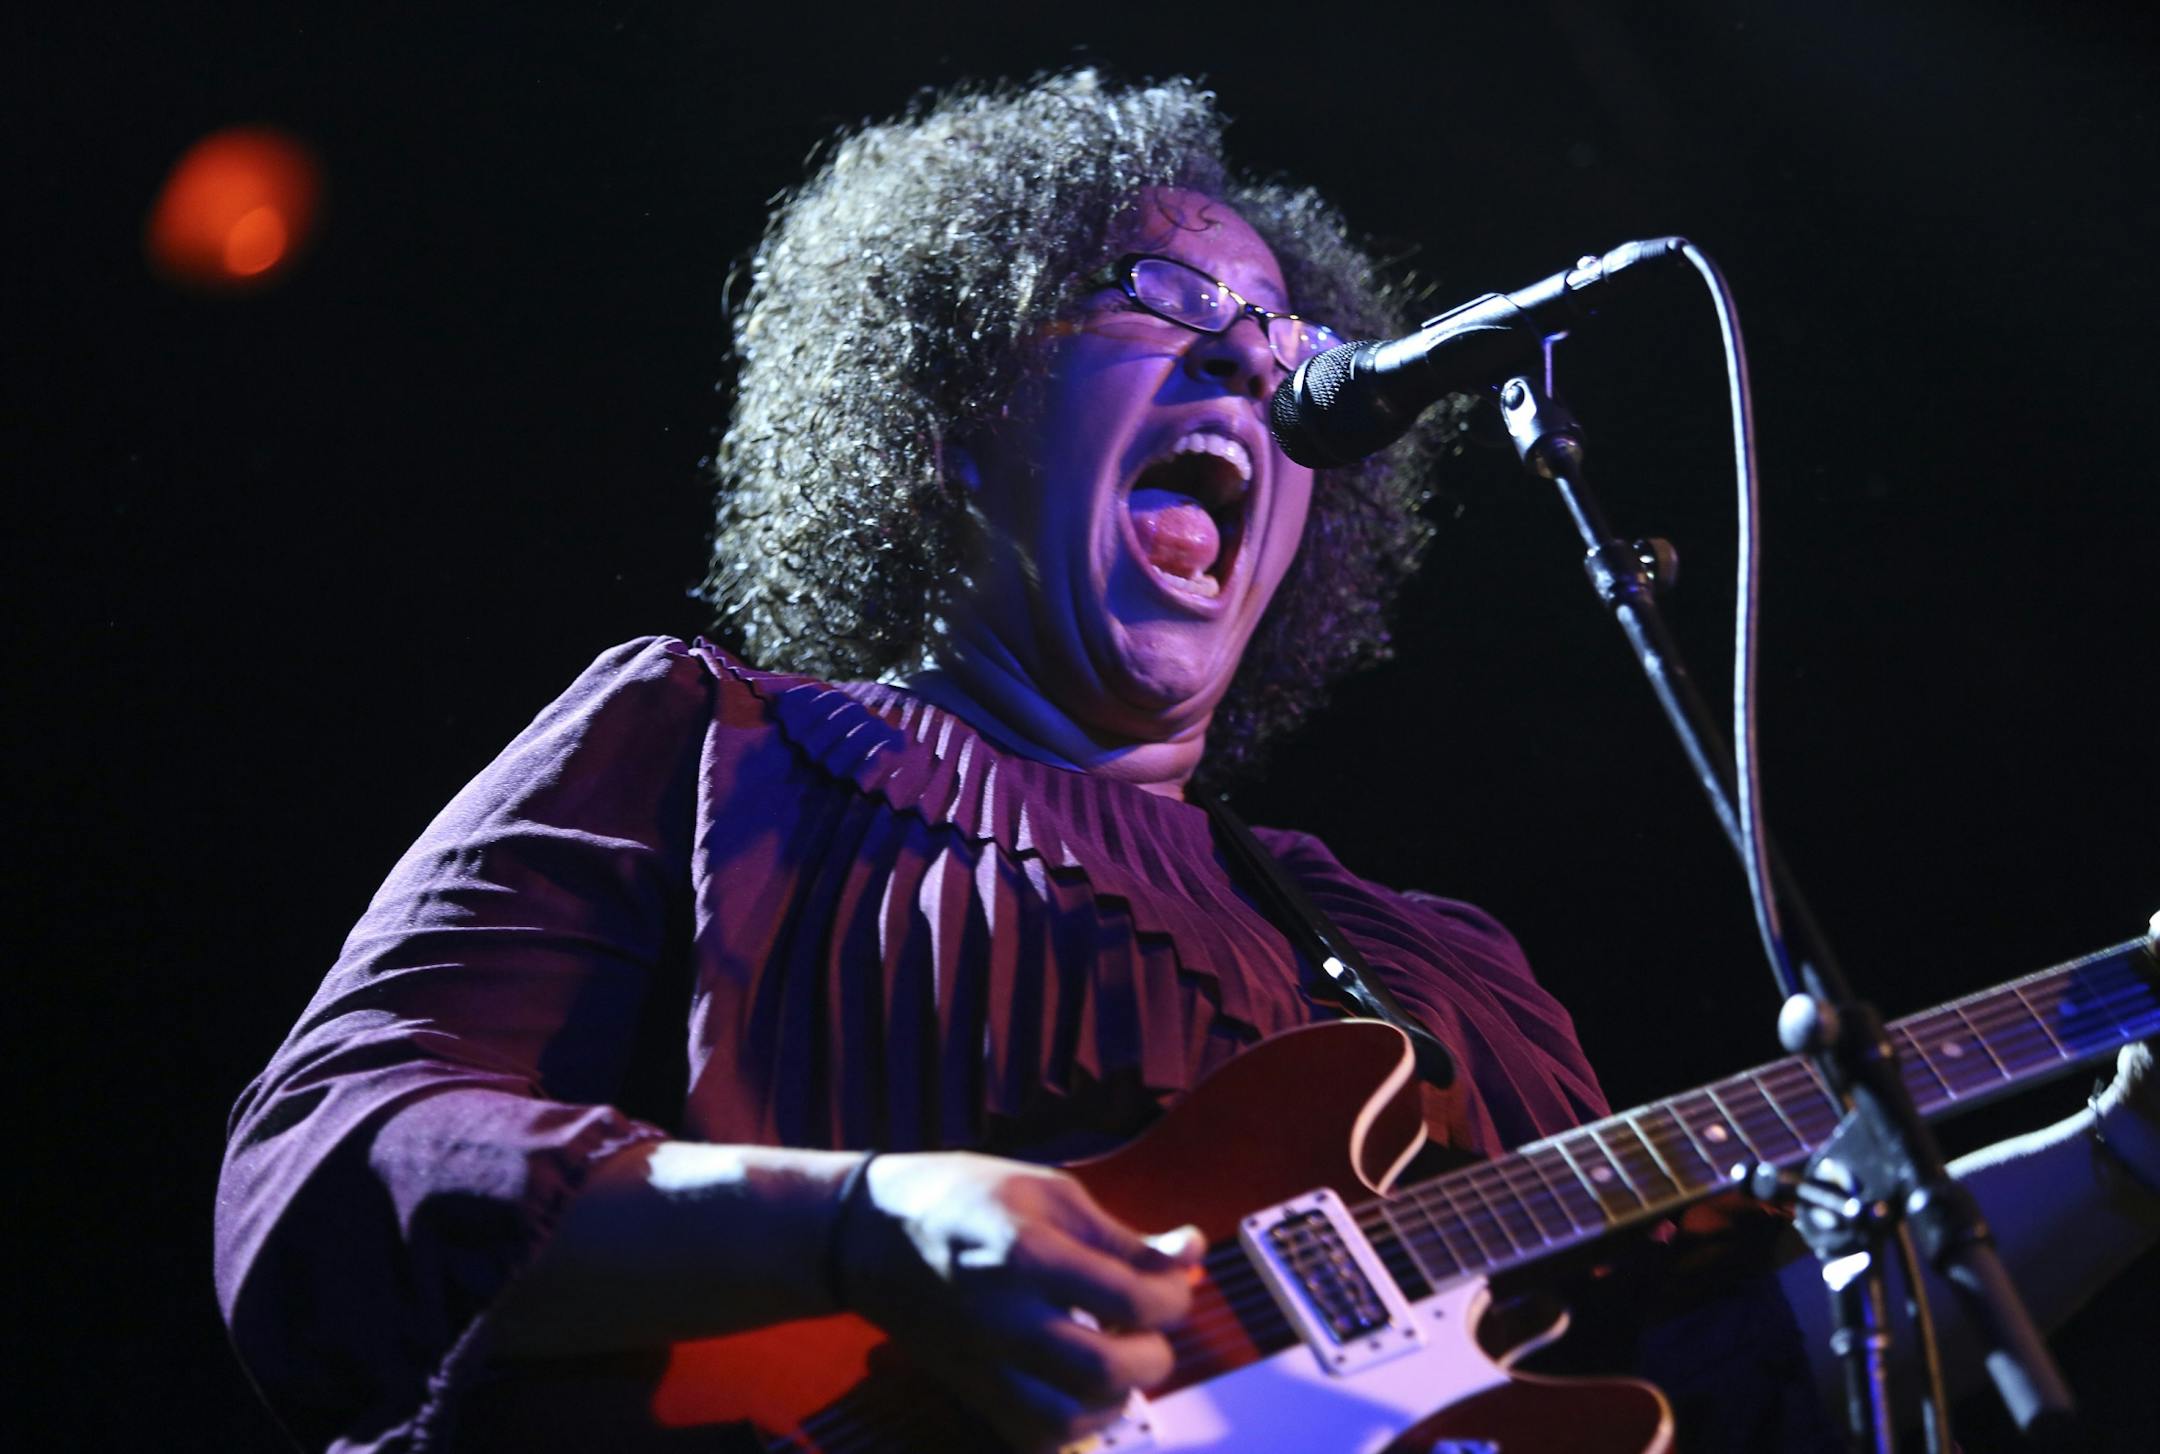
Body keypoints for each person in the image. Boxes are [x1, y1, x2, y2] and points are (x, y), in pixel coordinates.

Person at [215, 72, 2160, 1454]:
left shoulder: (1429, 983)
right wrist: (864, 1223)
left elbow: (1739, 1390)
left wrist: (2128, 1154)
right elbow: (334, 1176)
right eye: (1169, 304)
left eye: (1283, 334)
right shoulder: (706, 746)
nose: (1252, 366)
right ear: (960, 402)